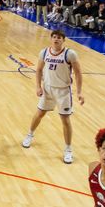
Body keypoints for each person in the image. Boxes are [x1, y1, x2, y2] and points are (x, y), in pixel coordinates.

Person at [21, 30, 84, 164]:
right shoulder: (44, 52)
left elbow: (78, 73)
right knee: (39, 113)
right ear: (51, 39)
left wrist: (79, 92)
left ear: (63, 40)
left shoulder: (70, 54)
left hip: (63, 91)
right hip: (48, 89)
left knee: (65, 120)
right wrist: (38, 86)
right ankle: (29, 135)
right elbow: (38, 70)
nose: (56, 39)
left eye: (59, 38)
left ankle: (68, 150)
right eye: (54, 37)